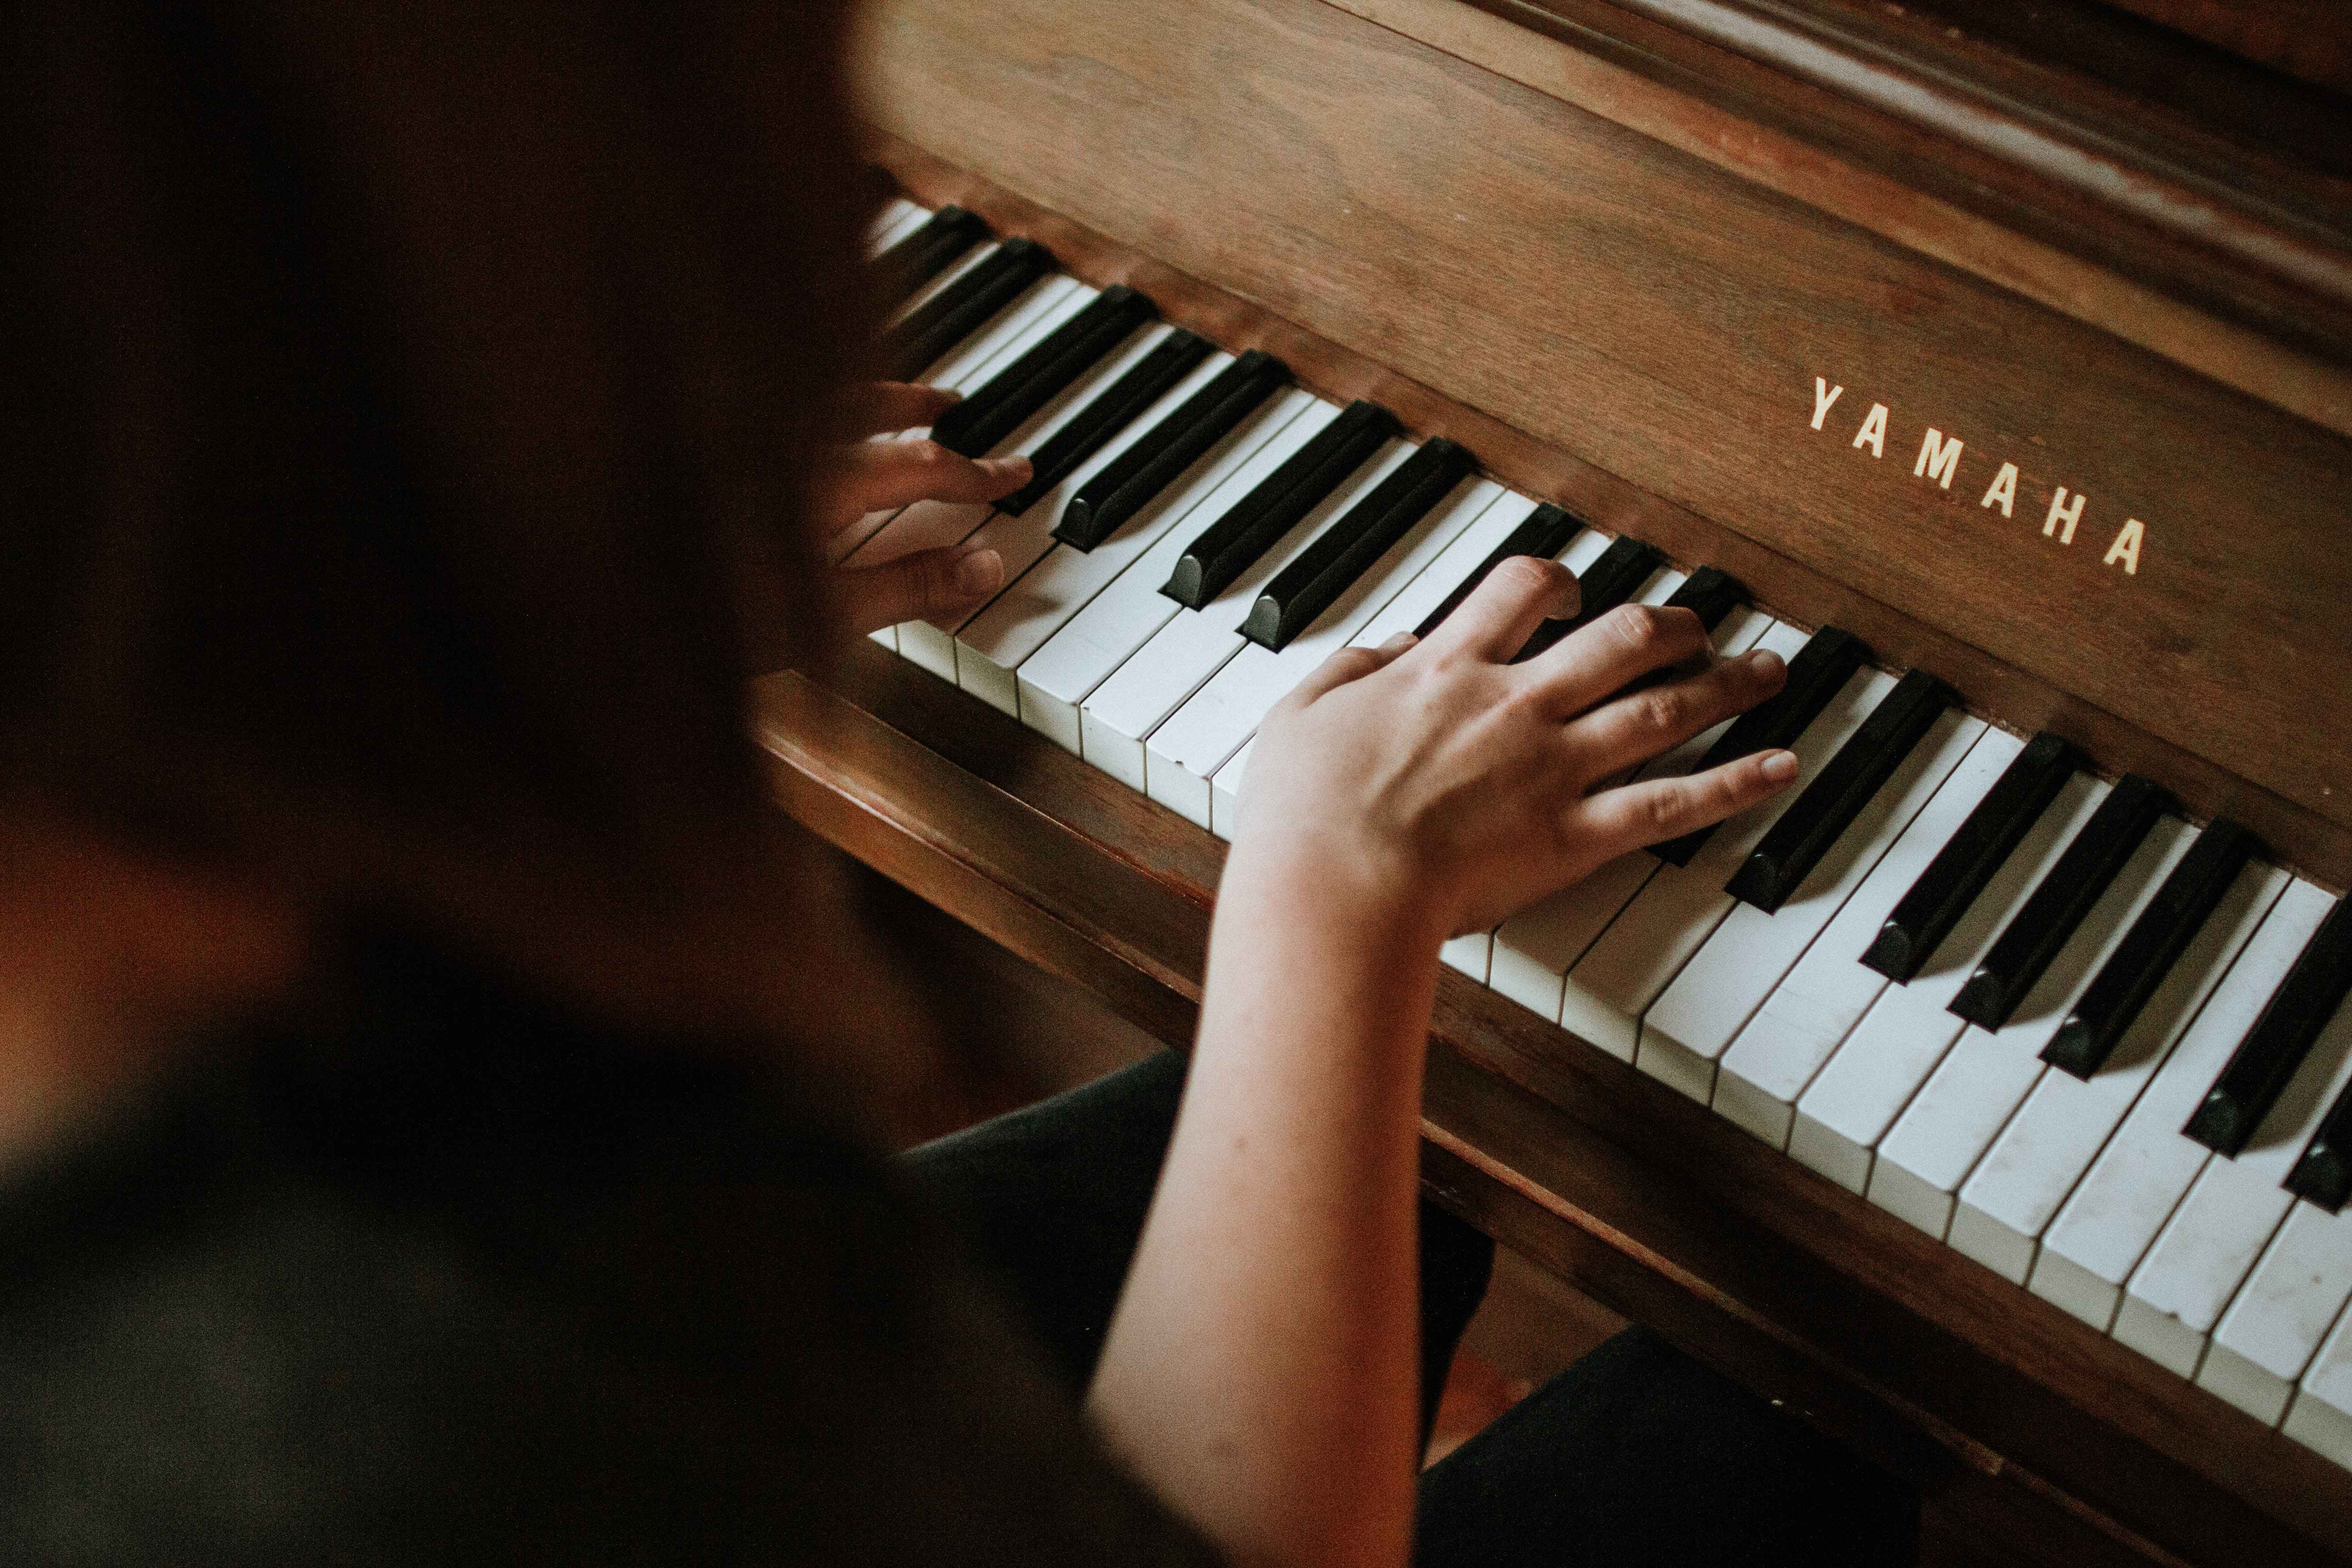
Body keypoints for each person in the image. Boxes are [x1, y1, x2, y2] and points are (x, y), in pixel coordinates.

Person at [0, 1, 1917, 1562]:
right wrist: (1333, 902)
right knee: (1805, 1410)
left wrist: (586, 611)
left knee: (1442, 1159)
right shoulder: (370, 1410)